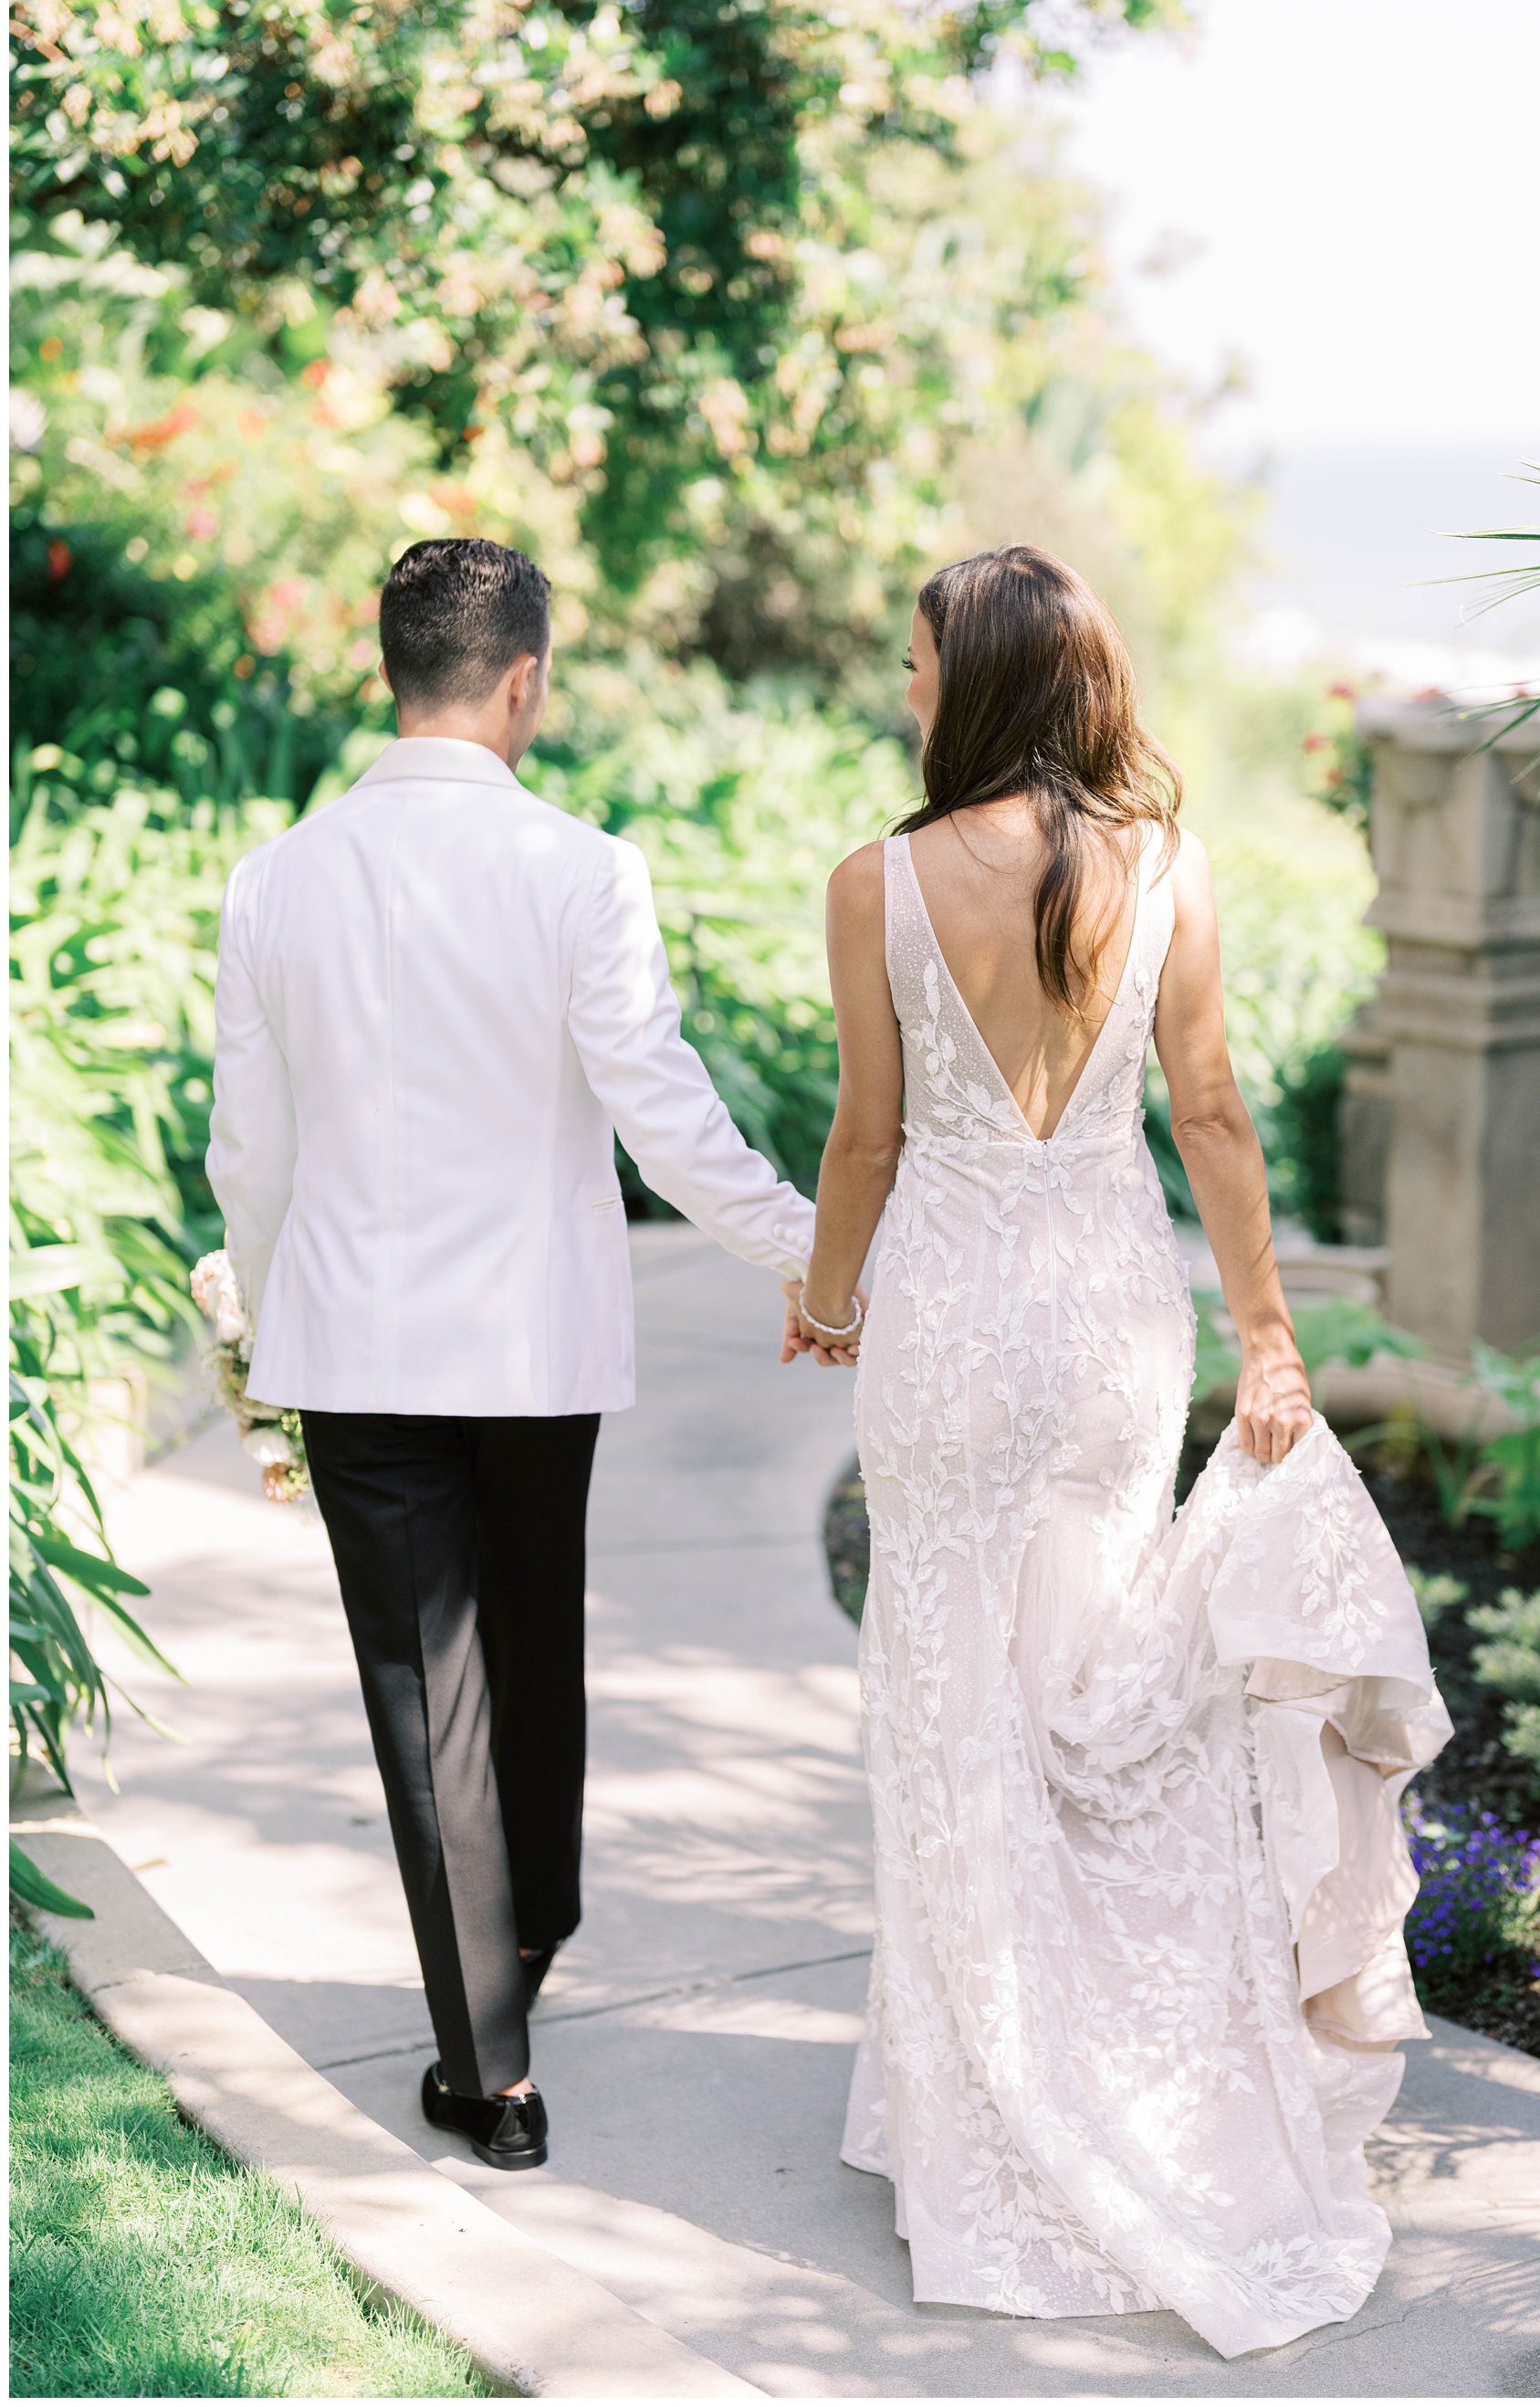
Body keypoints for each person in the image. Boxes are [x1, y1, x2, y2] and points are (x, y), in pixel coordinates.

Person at [788, 545, 1451, 2359]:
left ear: (980, 682)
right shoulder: (1166, 867)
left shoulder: (877, 883)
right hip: (1105, 1320)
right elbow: (1212, 1106)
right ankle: (1116, 2077)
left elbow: (864, 1138)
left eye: (920, 661)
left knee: (948, 1694)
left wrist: (829, 1302)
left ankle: (979, 2104)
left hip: (940, 1318)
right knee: (1086, 1698)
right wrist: (1267, 1336)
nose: (906, 686)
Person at [206, 538, 817, 2172]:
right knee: (532, 1647)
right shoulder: (584, 869)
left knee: (429, 1692)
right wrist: (809, 1249)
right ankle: (515, 1985)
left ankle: (498, 2033)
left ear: (392, 671)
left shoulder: (275, 878)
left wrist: (267, 1317)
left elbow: (247, 1155)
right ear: (524, 677)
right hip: (536, 1347)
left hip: (357, 1350)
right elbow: (660, 1103)